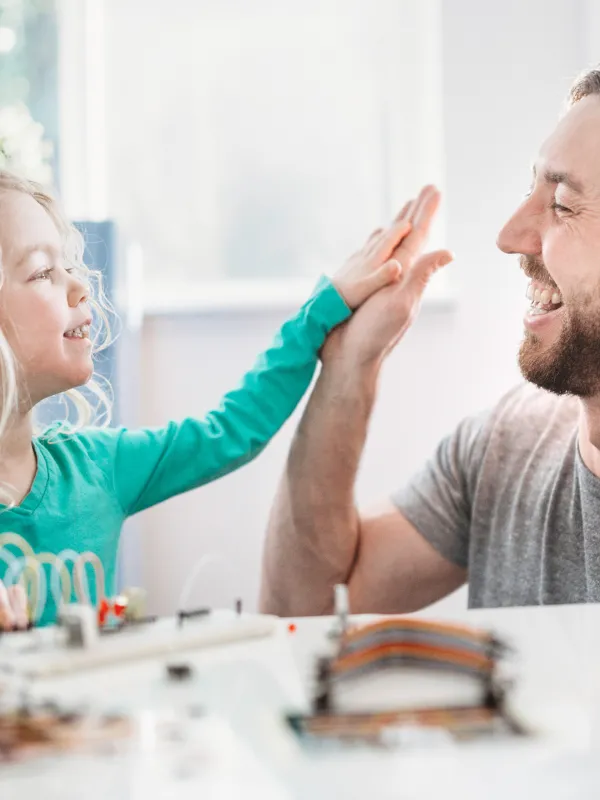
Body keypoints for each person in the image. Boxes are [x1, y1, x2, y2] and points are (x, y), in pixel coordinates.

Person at [0, 170, 451, 629]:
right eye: (41, 272)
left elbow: (233, 428)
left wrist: (327, 307)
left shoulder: (98, 467)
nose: (80, 287)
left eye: (69, 267)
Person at [259, 65, 600, 616]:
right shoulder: (507, 446)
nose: (509, 236)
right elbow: (306, 612)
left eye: (561, 203)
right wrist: (351, 365)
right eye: (528, 189)